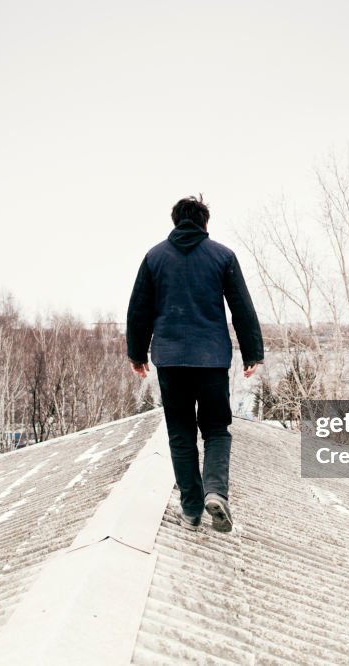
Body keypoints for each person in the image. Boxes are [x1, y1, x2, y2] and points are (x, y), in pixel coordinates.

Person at [126, 195, 263, 533]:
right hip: (212, 360)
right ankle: (215, 491)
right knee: (216, 429)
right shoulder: (222, 256)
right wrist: (252, 353)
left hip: (170, 361)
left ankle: (190, 509)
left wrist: (137, 354)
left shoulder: (154, 257)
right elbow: (241, 307)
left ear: (175, 222)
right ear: (205, 223)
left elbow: (139, 309)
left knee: (181, 433)